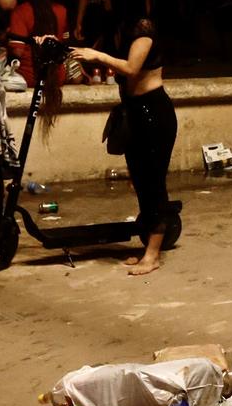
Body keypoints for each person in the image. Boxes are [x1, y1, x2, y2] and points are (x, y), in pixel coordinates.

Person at [70, 16, 177, 276]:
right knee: (139, 180)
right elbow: (87, 51)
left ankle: (152, 256)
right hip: (133, 112)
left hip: (154, 111)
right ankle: (149, 246)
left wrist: (99, 57)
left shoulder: (143, 27)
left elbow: (131, 67)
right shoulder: (116, 28)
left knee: (154, 182)